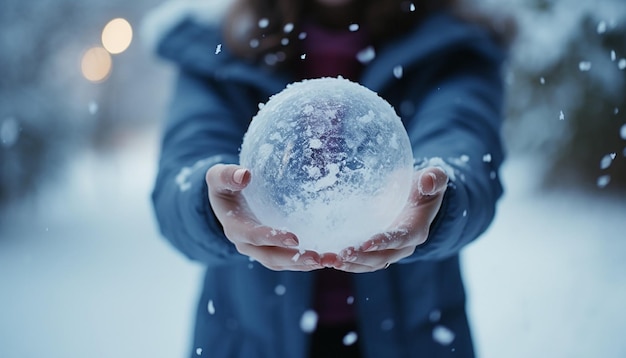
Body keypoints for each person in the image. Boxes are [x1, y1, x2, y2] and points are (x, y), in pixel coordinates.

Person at [145, 0, 513, 356]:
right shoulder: (216, 44)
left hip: (413, 340)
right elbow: (184, 166)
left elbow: (463, 142)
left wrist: (438, 193)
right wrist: (211, 202)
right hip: (251, 342)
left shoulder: (450, 41)